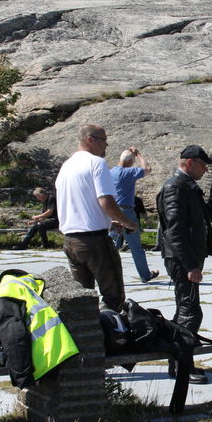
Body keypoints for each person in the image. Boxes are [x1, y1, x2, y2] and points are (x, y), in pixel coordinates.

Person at [157, 144, 212, 384]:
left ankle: (178, 362)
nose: (205, 170)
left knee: (184, 309)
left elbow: (208, 217)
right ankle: (182, 366)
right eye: (202, 165)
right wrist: (190, 266)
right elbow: (174, 232)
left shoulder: (188, 186)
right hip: (181, 259)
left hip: (189, 258)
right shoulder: (175, 187)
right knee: (190, 311)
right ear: (189, 163)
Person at [55, 124, 138, 311]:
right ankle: (113, 337)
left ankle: (87, 335)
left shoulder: (66, 166)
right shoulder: (96, 163)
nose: (106, 146)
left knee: (83, 299)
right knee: (113, 296)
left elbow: (79, 204)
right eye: (103, 141)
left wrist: (108, 221)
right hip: (94, 241)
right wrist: (128, 222)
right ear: (90, 140)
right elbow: (106, 202)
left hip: (71, 240)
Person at [110, 148, 159, 283]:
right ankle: (145, 275)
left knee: (110, 245)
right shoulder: (128, 172)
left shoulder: (110, 172)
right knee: (135, 246)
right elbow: (147, 169)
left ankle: (106, 276)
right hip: (126, 211)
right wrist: (139, 155)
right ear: (131, 161)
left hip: (112, 210)